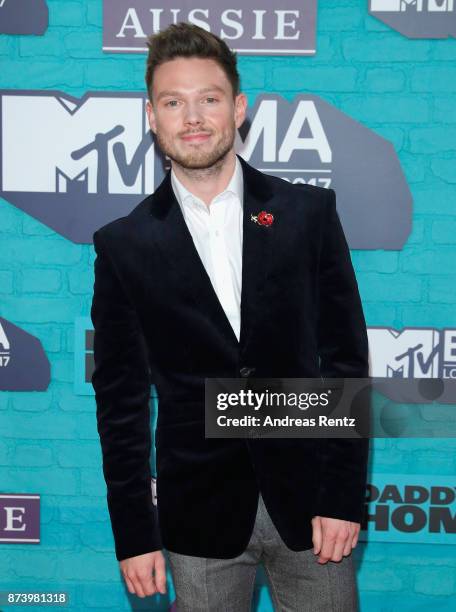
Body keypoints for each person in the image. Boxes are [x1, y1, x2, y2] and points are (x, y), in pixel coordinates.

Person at [90, 22, 369, 611]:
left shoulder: (307, 213)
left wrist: (342, 496)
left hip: (312, 507)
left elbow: (345, 357)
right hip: (198, 515)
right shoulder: (124, 245)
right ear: (152, 117)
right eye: (174, 101)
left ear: (238, 109)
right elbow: (121, 400)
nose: (193, 117)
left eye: (209, 99)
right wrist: (135, 533)